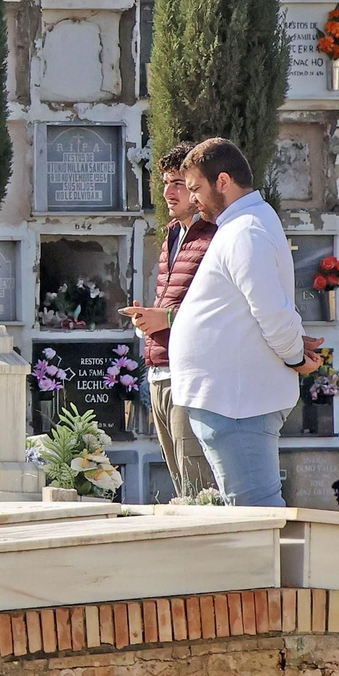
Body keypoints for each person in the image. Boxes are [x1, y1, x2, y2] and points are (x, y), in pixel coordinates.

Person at [167, 138, 322, 507]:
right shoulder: (240, 226)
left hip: (237, 403)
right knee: (250, 516)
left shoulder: (246, 231)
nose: (192, 200)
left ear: (223, 181)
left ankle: (274, 569)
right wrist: (294, 346)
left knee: (256, 515)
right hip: (229, 398)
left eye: (195, 189)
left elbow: (271, 310)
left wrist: (295, 356)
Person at [121, 143, 218, 497]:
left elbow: (219, 308)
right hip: (159, 370)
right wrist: (148, 318)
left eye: (177, 183)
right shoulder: (173, 235)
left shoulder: (214, 236)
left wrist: (167, 318)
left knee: (198, 483)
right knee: (179, 480)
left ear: (197, 187)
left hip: (191, 374)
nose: (167, 192)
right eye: (164, 183)